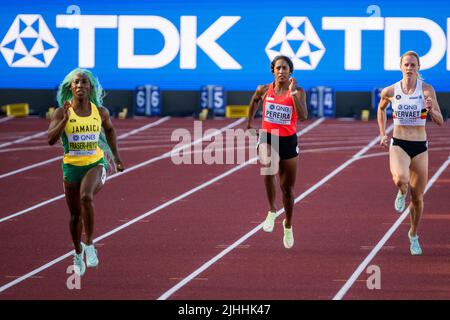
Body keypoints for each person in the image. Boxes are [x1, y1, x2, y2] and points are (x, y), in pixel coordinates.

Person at [48, 68, 124, 275]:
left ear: (90, 88)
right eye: (76, 83)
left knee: (86, 197)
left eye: (84, 82)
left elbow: (109, 130)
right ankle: (77, 250)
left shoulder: (100, 112)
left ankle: (90, 244)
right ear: (70, 87)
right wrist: (63, 121)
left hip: (95, 163)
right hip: (71, 167)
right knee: (74, 216)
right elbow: (50, 140)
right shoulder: (61, 112)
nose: (80, 85)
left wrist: (116, 157)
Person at [377, 51, 443, 255]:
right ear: (400, 67)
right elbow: (381, 109)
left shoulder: (426, 90)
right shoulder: (390, 90)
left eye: (413, 65)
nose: (409, 68)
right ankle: (401, 190)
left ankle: (413, 234)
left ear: (418, 68)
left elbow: (441, 120)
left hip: (420, 147)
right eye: (406, 65)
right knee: (400, 178)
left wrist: (431, 110)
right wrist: (382, 133)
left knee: (418, 198)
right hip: (399, 143)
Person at [246, 55, 308, 249]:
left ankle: (288, 224)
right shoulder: (263, 89)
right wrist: (249, 123)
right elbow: (254, 101)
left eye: (285, 68)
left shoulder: (298, 91)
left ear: (290, 72)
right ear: (273, 70)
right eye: (278, 68)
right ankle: (272, 210)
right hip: (268, 136)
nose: (281, 71)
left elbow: (304, 116)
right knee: (267, 166)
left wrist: (293, 93)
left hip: (289, 140)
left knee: (287, 190)